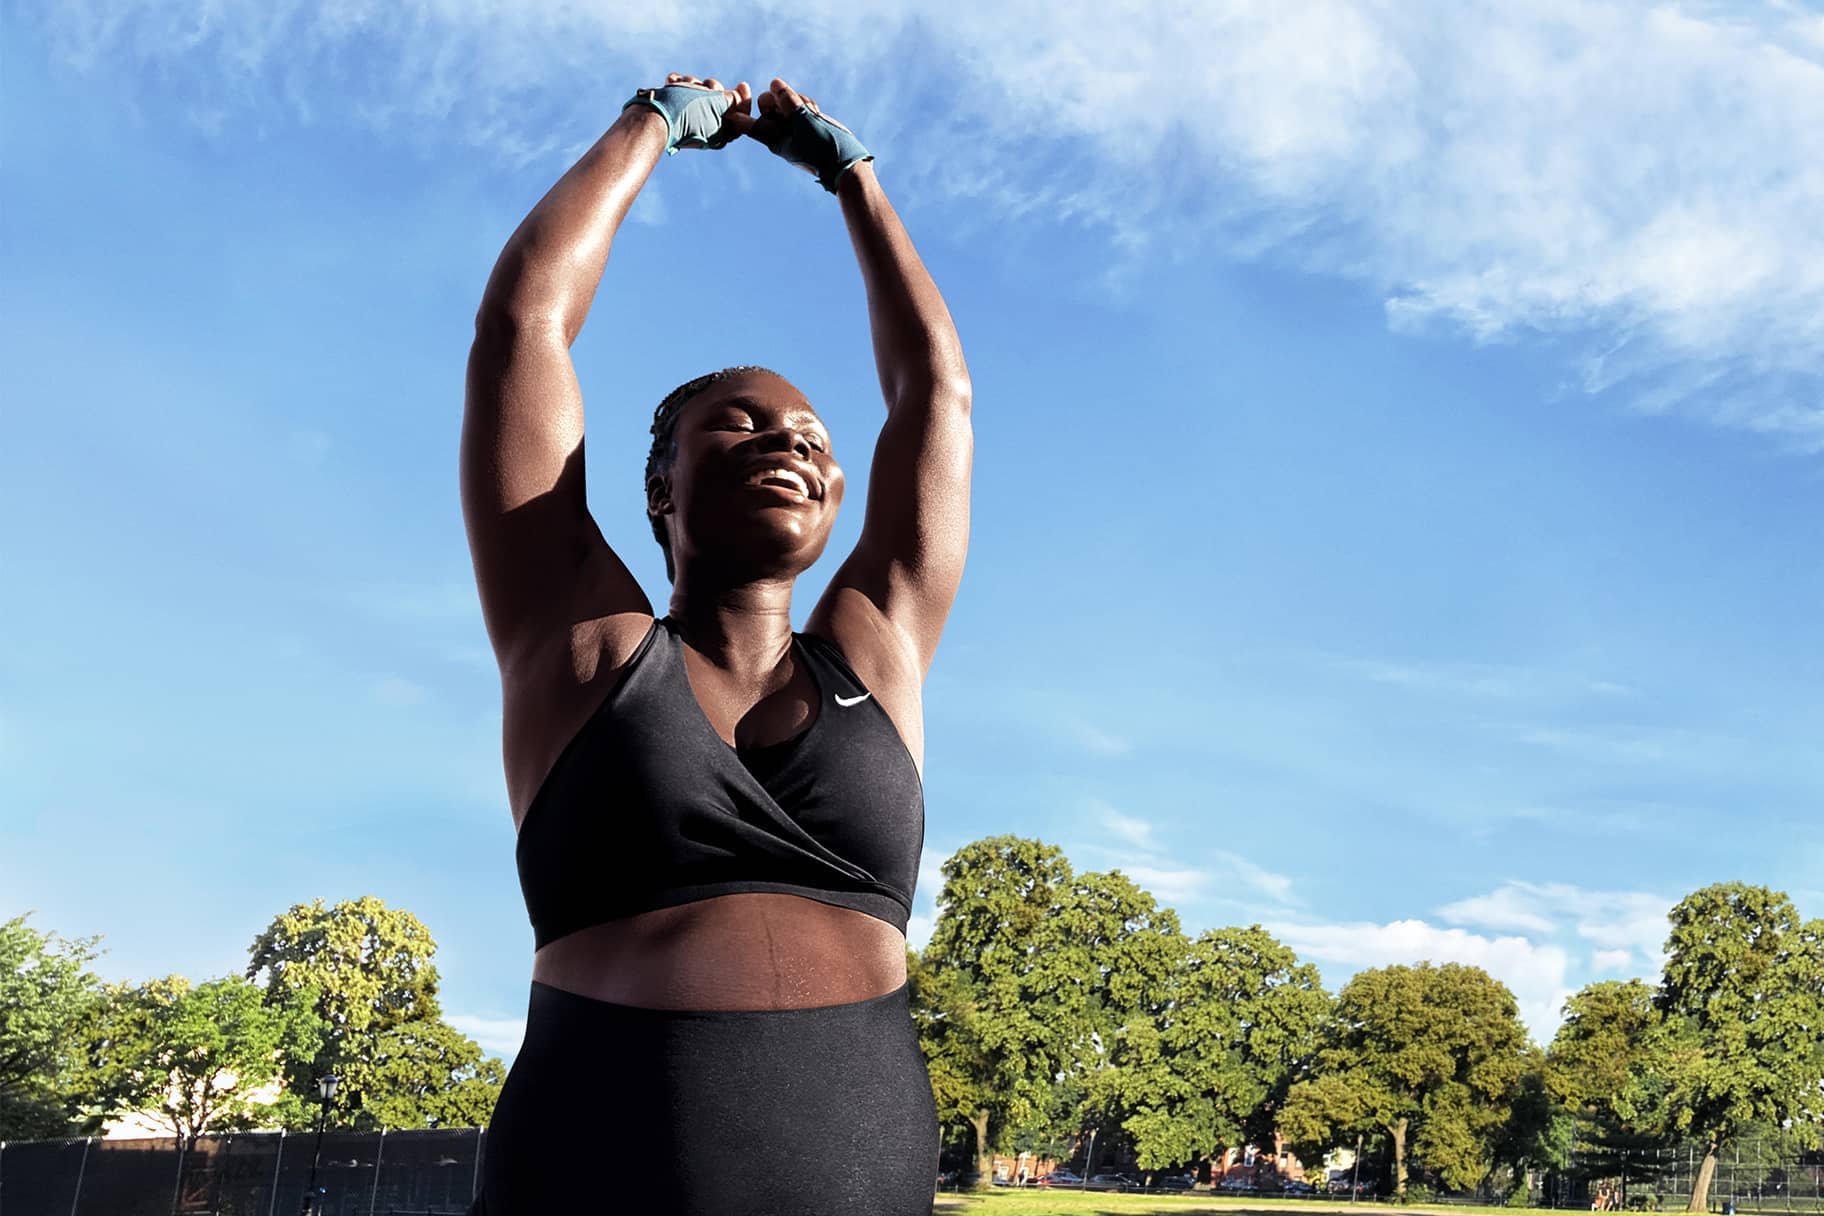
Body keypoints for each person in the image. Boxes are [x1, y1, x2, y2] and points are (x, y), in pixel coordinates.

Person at [459, 71, 971, 1215]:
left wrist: (855, 178)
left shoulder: (878, 646)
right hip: (591, 1153)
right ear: (660, 484)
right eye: (737, 422)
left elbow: (934, 394)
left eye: (811, 434)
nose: (786, 440)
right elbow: (521, 326)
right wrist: (649, 124)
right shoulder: (581, 645)